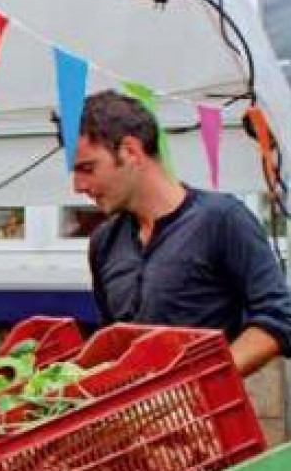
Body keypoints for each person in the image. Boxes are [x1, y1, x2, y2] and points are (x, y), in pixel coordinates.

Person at [74, 90, 291, 375]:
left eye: (87, 168)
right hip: (137, 416)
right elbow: (112, 341)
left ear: (130, 152)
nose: (78, 186)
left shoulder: (222, 219)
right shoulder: (104, 242)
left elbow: (279, 318)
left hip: (209, 415)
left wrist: (200, 380)